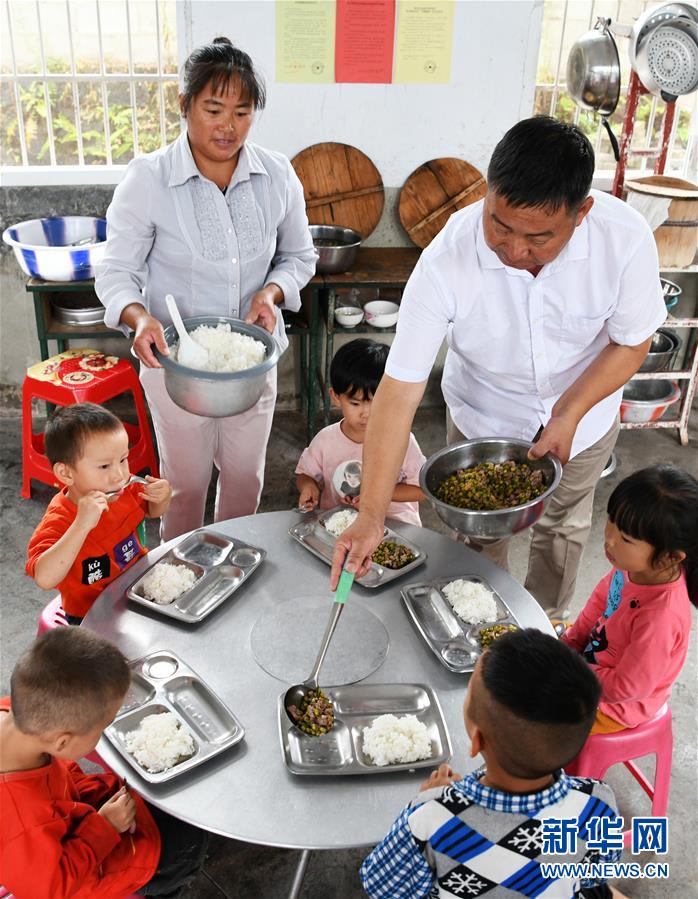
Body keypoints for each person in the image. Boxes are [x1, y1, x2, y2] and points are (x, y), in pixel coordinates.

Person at [331, 116, 666, 618]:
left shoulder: (624, 240)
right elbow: (398, 393)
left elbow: (631, 342)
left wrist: (570, 412)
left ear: (582, 214)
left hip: (586, 418)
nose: (513, 250)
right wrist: (373, 515)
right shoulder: (448, 256)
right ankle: (476, 629)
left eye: (538, 239)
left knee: (563, 529)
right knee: (476, 540)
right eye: (499, 226)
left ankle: (545, 626)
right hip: (482, 421)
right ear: (487, 194)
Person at [96, 37, 316, 541]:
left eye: (242, 111)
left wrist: (273, 294)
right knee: (186, 484)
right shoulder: (149, 179)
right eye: (213, 108)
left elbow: (300, 257)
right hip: (176, 364)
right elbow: (115, 270)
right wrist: (137, 317)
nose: (228, 125)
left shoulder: (276, 175)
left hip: (249, 362)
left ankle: (229, 574)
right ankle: (179, 574)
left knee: (245, 481)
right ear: (184, 106)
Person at [360, 629, 625, 899]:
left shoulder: (431, 815)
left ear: (476, 740)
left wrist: (430, 798)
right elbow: (596, 873)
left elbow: (381, 887)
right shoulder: (598, 801)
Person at [0, 628, 207, 898]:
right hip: (76, 873)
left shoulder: (17, 719)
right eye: (103, 726)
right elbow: (50, 889)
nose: (103, 732)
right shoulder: (20, 818)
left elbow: (60, 776)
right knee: (186, 843)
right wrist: (104, 828)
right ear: (62, 742)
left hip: (77, 818)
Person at [562, 464, 697, 734]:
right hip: (595, 663)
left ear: (670, 556)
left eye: (625, 538)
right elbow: (600, 603)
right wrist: (572, 642)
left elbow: (627, 688)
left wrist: (572, 669)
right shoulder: (632, 567)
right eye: (610, 522)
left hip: (617, 706)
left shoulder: (661, 617)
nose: (609, 541)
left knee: (529, 713)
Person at [26, 403, 171, 625]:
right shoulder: (61, 517)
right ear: (66, 473)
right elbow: (45, 578)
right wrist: (81, 525)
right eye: (104, 466)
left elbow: (153, 511)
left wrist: (162, 498)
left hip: (138, 586)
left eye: (123, 459)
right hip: (90, 613)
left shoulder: (125, 488)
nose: (119, 475)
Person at [296, 339, 425, 526]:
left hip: (394, 526)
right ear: (336, 398)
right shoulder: (326, 440)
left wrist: (374, 495)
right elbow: (304, 474)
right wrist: (308, 486)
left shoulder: (401, 441)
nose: (366, 414)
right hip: (338, 524)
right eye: (355, 404)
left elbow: (421, 490)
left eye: (377, 403)